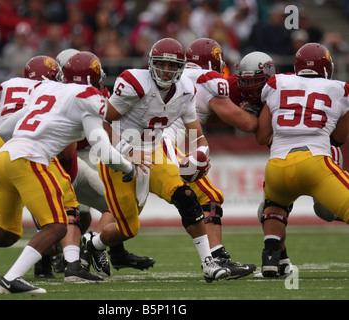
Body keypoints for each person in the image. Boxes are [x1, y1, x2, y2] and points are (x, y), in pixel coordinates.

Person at [0, 53, 135, 293]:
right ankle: (12, 278)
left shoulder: (46, 89)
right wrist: (127, 167)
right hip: (29, 158)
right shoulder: (89, 97)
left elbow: (7, 127)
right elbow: (102, 149)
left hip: (3, 155)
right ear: (95, 79)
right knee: (57, 225)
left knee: (10, 233)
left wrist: (22, 142)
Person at [84, 38, 231, 283]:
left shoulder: (185, 90)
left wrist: (203, 152)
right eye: (161, 64)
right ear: (151, 64)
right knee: (129, 229)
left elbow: (196, 132)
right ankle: (94, 243)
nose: (166, 70)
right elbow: (103, 122)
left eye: (172, 66)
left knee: (186, 197)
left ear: (181, 68)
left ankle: (208, 263)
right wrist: (126, 150)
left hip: (155, 153)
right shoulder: (134, 83)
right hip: (119, 158)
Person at [228, 51, 343, 278]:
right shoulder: (338, 88)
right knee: (281, 210)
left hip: (287, 162)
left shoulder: (277, 84)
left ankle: (272, 257)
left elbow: (261, 136)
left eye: (255, 80)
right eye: (247, 80)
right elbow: (339, 138)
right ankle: (281, 261)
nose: (251, 86)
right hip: (313, 160)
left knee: (279, 208)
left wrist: (253, 117)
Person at [161, 38, 257, 279]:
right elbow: (245, 125)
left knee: (128, 212)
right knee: (210, 197)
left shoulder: (178, 77)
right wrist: (265, 116)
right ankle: (216, 259)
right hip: (162, 146)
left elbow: (198, 116)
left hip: (143, 141)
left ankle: (89, 248)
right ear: (214, 61)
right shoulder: (206, 80)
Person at [54, 48, 156, 275]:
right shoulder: (81, 98)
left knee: (96, 208)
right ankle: (78, 255)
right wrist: (128, 162)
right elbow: (88, 142)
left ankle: (98, 252)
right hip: (57, 159)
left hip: (45, 158)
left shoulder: (49, 92)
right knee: (65, 214)